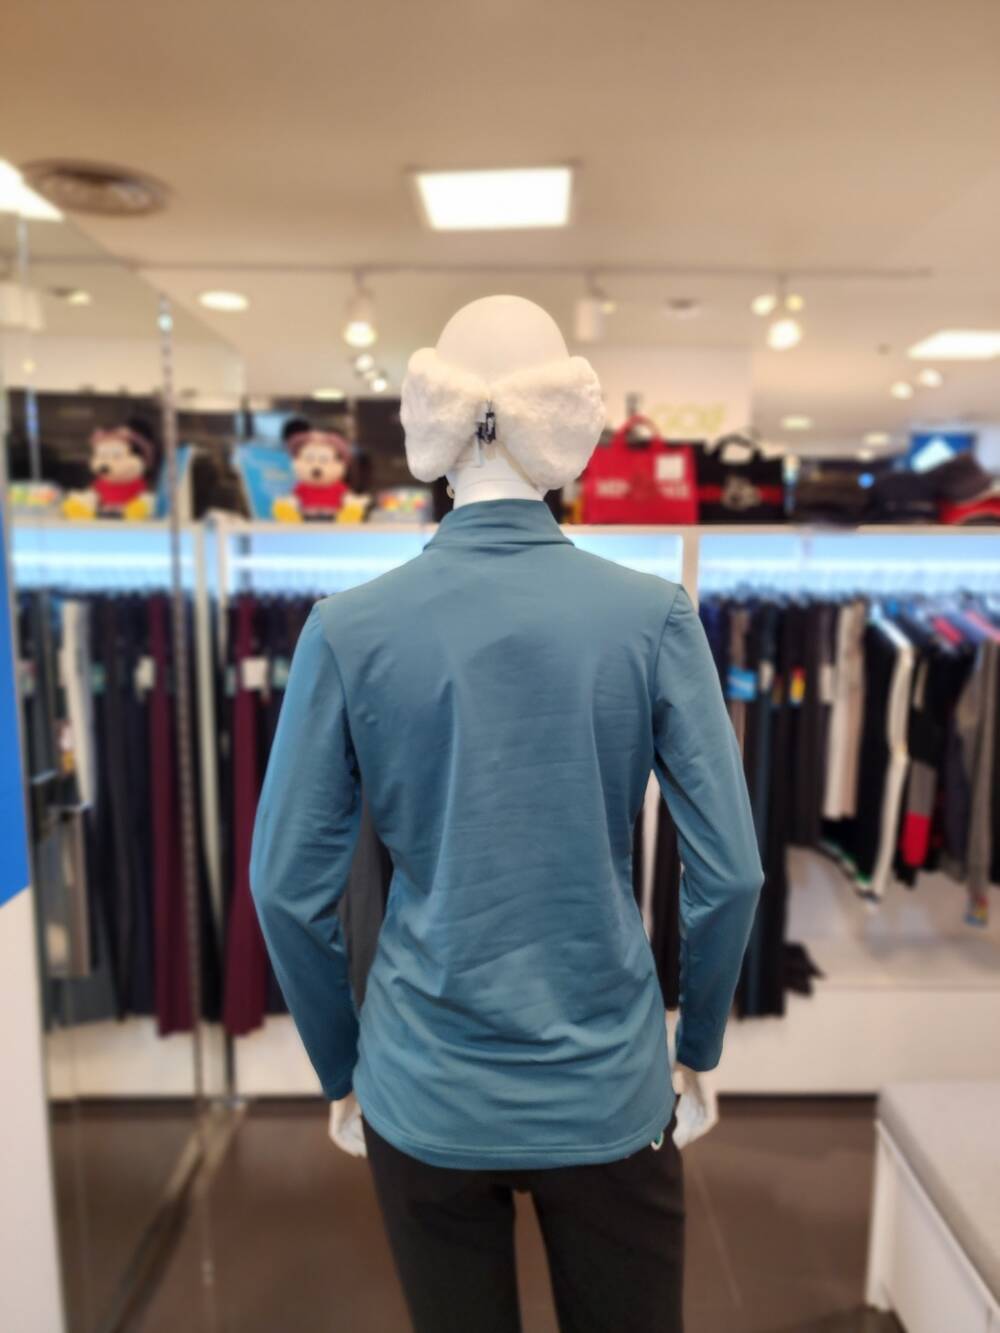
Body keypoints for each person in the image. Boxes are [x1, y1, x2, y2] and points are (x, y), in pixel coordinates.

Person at [250, 296, 763, 1332]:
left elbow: (283, 888)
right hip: (608, 1083)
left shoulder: (346, 629)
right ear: (564, 429)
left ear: (435, 436)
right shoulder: (651, 615)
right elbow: (731, 872)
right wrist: (697, 1043)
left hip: (420, 1084)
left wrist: (343, 1068)